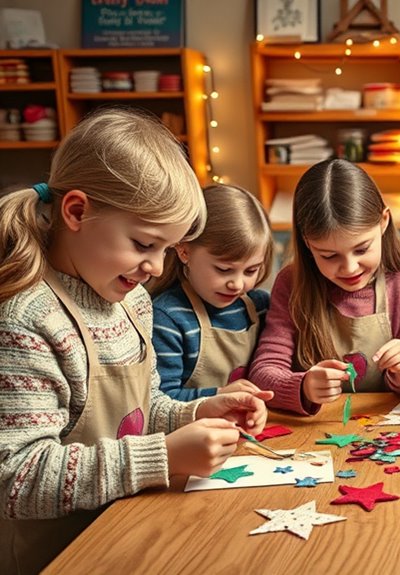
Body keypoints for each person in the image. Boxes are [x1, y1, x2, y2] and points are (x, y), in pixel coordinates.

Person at [0, 109, 270, 574]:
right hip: (54, 558)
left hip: (123, 536)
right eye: (145, 244)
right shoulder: (27, 322)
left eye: (167, 249)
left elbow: (139, 411)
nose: (158, 268)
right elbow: (17, 480)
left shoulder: (133, 303)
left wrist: (197, 412)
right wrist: (163, 456)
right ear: (78, 212)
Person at [249, 159, 400, 414]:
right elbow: (264, 372)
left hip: (384, 427)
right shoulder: (291, 284)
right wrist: (303, 387)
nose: (350, 268)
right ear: (307, 242)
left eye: (362, 249)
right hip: (314, 430)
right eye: (330, 256)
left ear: (383, 222)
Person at [149, 184, 273, 400]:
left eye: (251, 270)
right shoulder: (168, 318)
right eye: (224, 270)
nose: (237, 283)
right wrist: (219, 396)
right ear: (184, 251)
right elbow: (161, 401)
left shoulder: (261, 305)